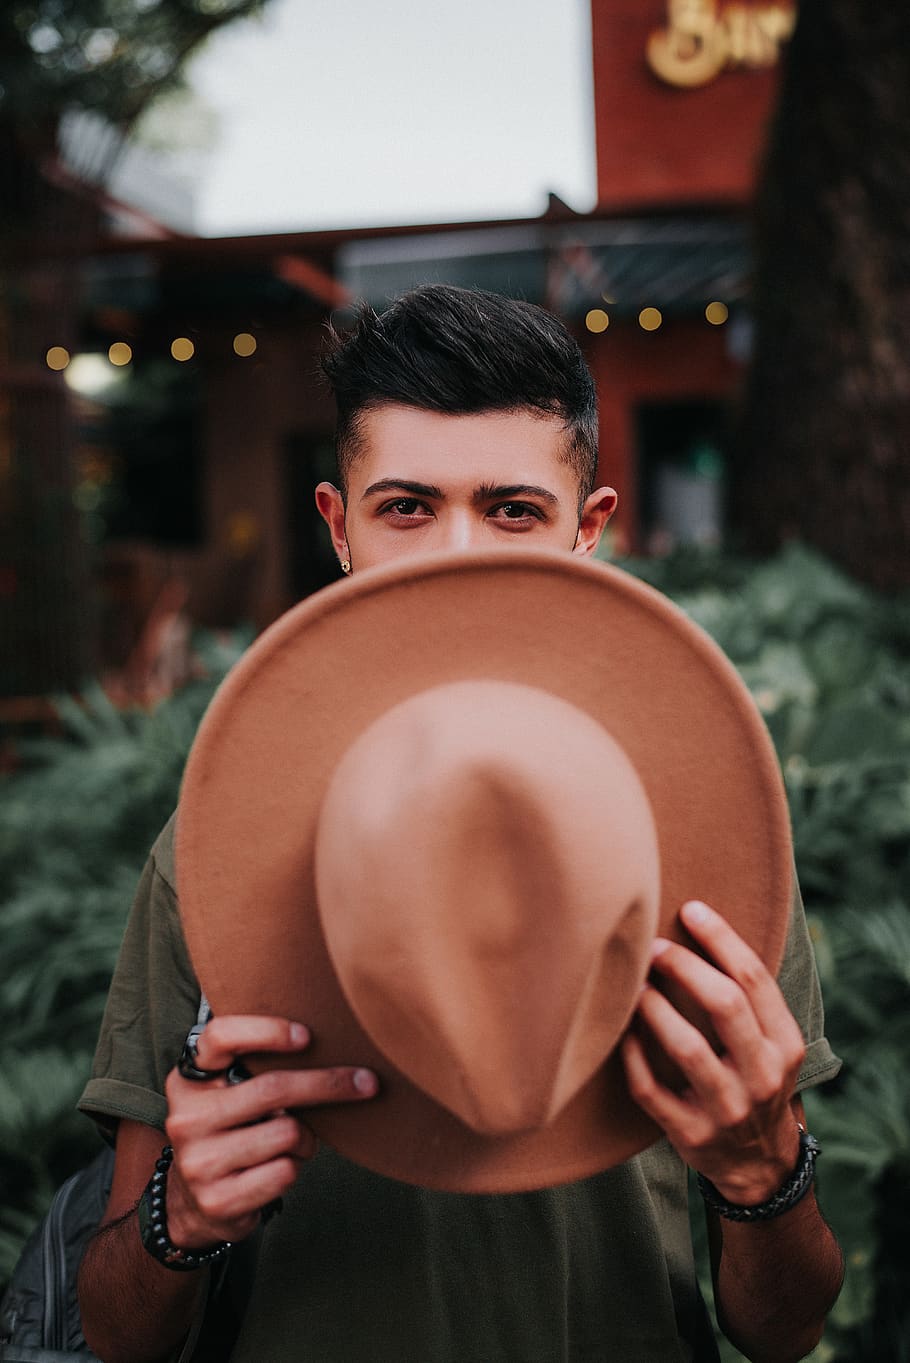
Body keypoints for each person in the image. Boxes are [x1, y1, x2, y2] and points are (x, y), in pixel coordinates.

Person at [77, 285, 843, 1363]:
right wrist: (179, 1219)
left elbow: (784, 1327)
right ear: (338, 529)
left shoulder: (705, 834)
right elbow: (117, 1333)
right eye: (405, 508)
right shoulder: (217, 846)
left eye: (513, 509)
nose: (457, 554)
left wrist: (765, 1176)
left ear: (590, 530)